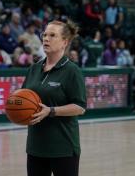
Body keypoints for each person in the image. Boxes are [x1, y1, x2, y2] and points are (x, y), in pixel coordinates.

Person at [21, 20, 86, 176]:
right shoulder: (33, 69)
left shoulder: (72, 71)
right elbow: (24, 99)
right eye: (44, 35)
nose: (46, 39)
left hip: (63, 148)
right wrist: (19, 112)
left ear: (64, 42)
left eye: (52, 35)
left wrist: (51, 111)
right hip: (36, 147)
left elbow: (80, 107)